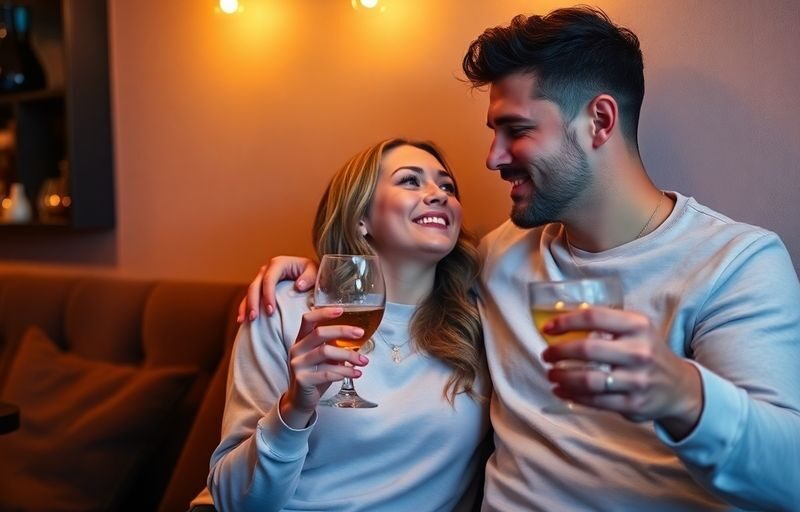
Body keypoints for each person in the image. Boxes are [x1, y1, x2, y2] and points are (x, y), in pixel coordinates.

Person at [242, 6, 800, 511]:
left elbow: (790, 480)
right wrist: (330, 270)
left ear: (600, 122)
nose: (491, 159)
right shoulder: (500, 255)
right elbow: (407, 274)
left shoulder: (734, 263)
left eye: (517, 130)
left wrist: (683, 394)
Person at [207, 138, 491, 512]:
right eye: (410, 181)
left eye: (447, 186)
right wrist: (295, 407)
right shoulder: (287, 312)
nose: (438, 194)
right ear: (361, 219)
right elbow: (232, 501)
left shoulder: (483, 316)